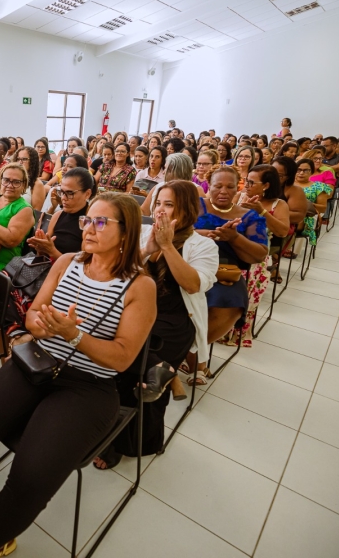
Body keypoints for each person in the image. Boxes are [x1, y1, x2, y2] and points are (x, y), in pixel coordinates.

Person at [0, 193, 156, 558]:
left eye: (100, 222)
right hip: (37, 363)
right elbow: (34, 313)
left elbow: (123, 358)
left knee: (31, 478)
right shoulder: (66, 262)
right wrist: (43, 326)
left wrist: (73, 335)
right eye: (86, 220)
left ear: (126, 233)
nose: (88, 228)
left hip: (88, 387)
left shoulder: (140, 286)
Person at [95, 181, 218, 466]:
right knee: (114, 356)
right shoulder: (144, 233)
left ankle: (133, 443)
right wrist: (149, 248)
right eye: (158, 203)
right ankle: (161, 372)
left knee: (131, 369)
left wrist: (167, 246)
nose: (160, 210)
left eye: (169, 205)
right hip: (137, 310)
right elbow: (116, 272)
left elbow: (193, 285)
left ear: (187, 209)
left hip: (174, 321)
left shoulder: (204, 245)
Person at [184, 166, 268, 386]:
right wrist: (203, 234)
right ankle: (195, 360)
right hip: (189, 264)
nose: (223, 191)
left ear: (237, 188)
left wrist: (234, 238)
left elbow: (260, 254)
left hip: (225, 272)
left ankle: (189, 352)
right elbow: (174, 230)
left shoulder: (249, 216)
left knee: (230, 300)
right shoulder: (195, 206)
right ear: (208, 186)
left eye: (230, 187)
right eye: (217, 186)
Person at [219, 165, 290, 347]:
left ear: (266, 185)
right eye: (246, 181)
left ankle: (237, 333)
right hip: (232, 250)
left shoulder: (278, 204)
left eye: (251, 182)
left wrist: (262, 212)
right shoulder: (240, 196)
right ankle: (218, 329)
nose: (246, 186)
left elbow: (282, 231)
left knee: (246, 294)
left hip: (256, 255)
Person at [27, 167, 93, 258]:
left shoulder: (90, 223)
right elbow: (43, 256)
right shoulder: (58, 215)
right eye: (61, 192)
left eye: (70, 193)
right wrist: (41, 249)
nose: (63, 198)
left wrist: (52, 251)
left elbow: (83, 263)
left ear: (87, 194)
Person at [294, 157, 330, 247]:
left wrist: (304, 204)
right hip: (288, 212)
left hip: (309, 215)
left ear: (311, 172)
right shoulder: (288, 184)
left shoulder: (319, 186)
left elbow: (322, 208)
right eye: (298, 170)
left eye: (306, 170)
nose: (301, 173)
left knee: (296, 220)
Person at [16, 146, 48, 211]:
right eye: (18, 159)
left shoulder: (37, 184)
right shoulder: (10, 180)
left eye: (24, 159)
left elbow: (35, 212)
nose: (20, 162)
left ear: (32, 161)